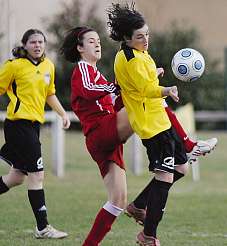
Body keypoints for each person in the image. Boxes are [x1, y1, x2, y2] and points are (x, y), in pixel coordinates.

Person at [107, 3, 217, 245]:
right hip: (152, 126)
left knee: (181, 169)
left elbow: (137, 83)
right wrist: (165, 88)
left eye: (147, 34)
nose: (145, 40)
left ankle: (137, 206)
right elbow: (145, 89)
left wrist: (153, 74)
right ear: (126, 38)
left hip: (160, 120)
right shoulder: (131, 59)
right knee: (165, 177)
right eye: (139, 37)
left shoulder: (135, 53)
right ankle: (148, 235)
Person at [60, 26, 133, 246]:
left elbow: (114, 102)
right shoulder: (82, 69)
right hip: (100, 131)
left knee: (118, 200)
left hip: (107, 135)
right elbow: (89, 89)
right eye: (91, 41)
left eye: (98, 40)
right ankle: (180, 148)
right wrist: (116, 87)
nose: (98, 43)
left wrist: (122, 90)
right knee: (143, 106)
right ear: (80, 48)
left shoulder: (97, 74)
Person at [0, 29, 70, 239]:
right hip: (18, 125)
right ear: (25, 44)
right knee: (37, 175)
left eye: (41, 42)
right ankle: (43, 227)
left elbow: (50, 94)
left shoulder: (48, 66)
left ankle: (42, 227)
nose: (37, 45)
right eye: (33, 42)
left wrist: (62, 114)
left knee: (17, 177)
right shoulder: (14, 66)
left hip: (33, 127)